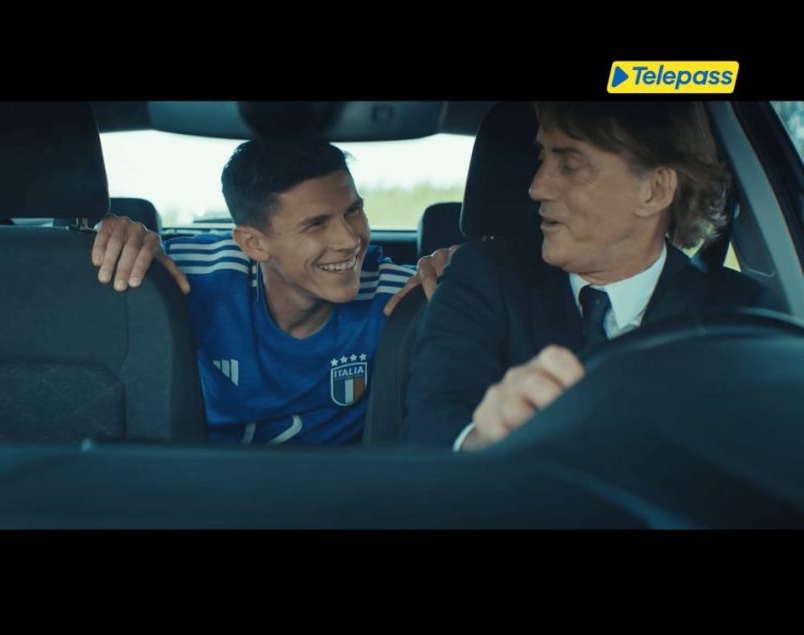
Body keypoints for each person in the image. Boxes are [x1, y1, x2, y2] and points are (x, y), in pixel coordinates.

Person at [403, 101, 778, 450]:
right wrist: (484, 439)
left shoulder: (739, 317)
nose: (536, 187)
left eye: (569, 166)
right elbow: (432, 419)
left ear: (654, 190)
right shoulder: (482, 278)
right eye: (541, 157)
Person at [92, 138, 452, 444]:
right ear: (254, 243)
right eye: (316, 224)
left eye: (354, 211)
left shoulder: (402, 296)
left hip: (339, 495)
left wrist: (471, 271)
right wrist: (110, 243)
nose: (349, 240)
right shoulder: (183, 274)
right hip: (195, 489)